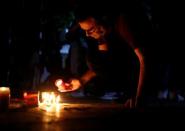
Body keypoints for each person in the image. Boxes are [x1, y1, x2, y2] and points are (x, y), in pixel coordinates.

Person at [56, 7, 160, 108]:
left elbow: (145, 59)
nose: (87, 34)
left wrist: (139, 97)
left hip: (155, 68)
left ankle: (140, 92)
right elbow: (103, 62)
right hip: (130, 65)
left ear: (102, 19)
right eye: (85, 31)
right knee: (93, 58)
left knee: (93, 59)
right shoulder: (105, 31)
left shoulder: (124, 23)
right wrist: (81, 81)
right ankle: (127, 92)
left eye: (90, 29)